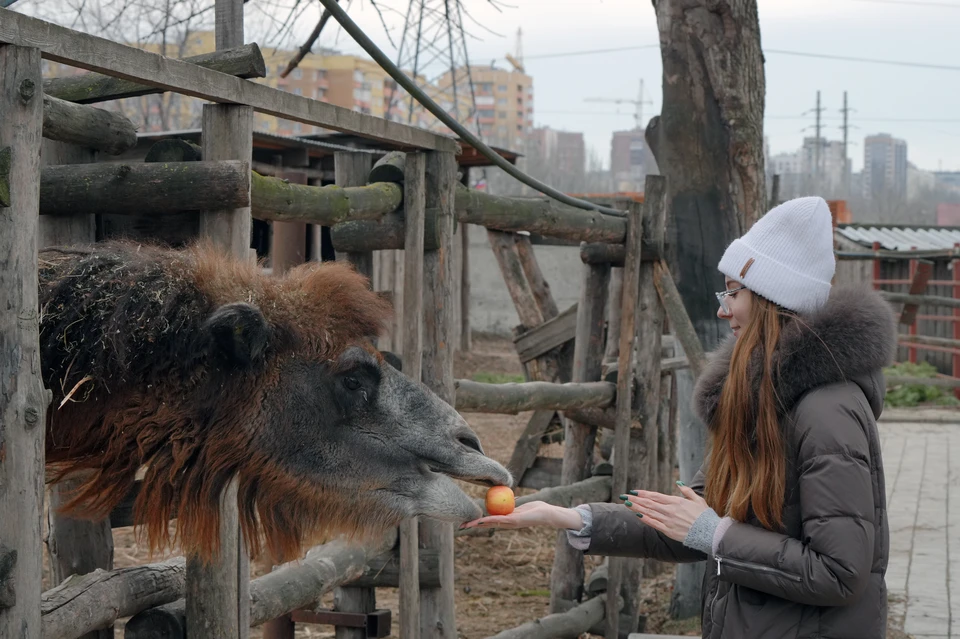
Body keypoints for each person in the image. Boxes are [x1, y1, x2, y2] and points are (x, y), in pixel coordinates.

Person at [462, 196, 896, 638]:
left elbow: (840, 571)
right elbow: (690, 522)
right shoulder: (761, 401)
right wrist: (569, 517)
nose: (722, 308)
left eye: (733, 291)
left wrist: (718, 538)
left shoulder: (828, 412)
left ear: (771, 298)